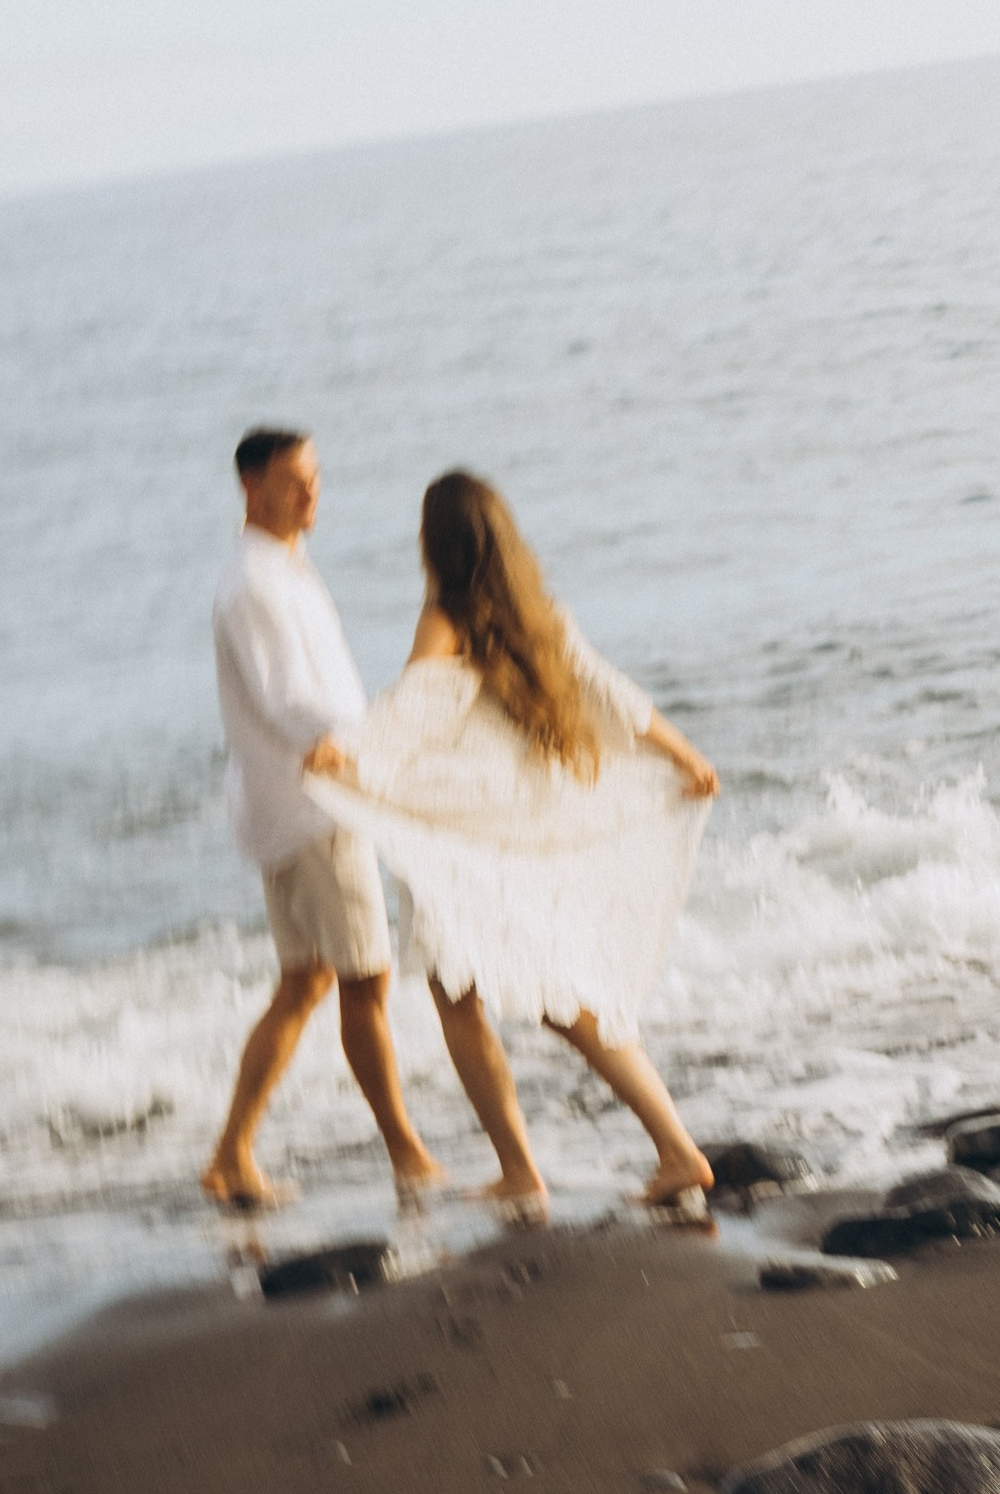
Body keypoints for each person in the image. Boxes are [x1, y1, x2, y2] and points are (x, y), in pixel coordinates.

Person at [305, 470, 718, 1219]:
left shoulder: (445, 614)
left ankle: (523, 1169)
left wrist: (347, 750)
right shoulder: (537, 610)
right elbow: (607, 691)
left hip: (464, 831)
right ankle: (674, 1148)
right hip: (521, 821)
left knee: (458, 995)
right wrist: (684, 754)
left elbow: (414, 707)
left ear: (434, 544)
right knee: (566, 998)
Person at [202, 426, 442, 1212]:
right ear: (251, 487)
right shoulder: (253, 584)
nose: (312, 492)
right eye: (294, 480)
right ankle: (408, 1156)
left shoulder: (279, 569)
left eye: (315, 477)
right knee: (365, 979)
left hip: (289, 804)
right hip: (312, 806)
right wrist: (364, 747)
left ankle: (232, 1153)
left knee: (304, 982)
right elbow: (288, 699)